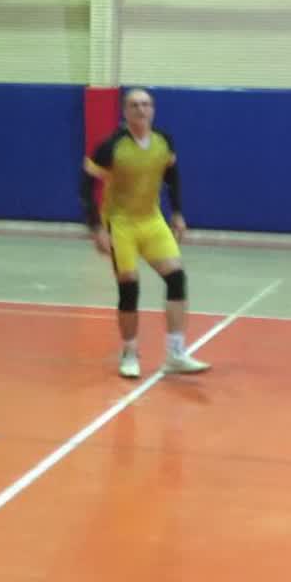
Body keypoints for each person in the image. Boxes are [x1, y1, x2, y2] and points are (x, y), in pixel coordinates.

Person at [80, 87, 212, 380]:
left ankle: (176, 353)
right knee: (129, 286)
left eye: (146, 104)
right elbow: (86, 185)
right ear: (125, 112)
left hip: (152, 220)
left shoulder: (163, 141)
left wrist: (177, 212)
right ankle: (129, 353)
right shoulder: (111, 146)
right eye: (134, 105)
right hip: (120, 223)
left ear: (153, 109)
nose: (141, 109)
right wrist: (96, 227)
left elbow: (171, 175)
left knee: (176, 277)